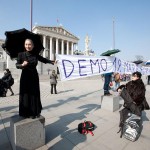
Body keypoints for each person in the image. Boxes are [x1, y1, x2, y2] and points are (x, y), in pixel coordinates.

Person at [16, 39, 54, 119]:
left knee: (34, 94)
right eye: (26, 44)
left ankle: (34, 112)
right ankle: (25, 112)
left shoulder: (35, 55)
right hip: (25, 76)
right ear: (24, 45)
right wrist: (22, 64)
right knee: (26, 93)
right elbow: (17, 65)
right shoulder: (21, 54)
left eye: (29, 44)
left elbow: (43, 59)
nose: (28, 46)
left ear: (32, 46)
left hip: (34, 76)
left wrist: (52, 62)